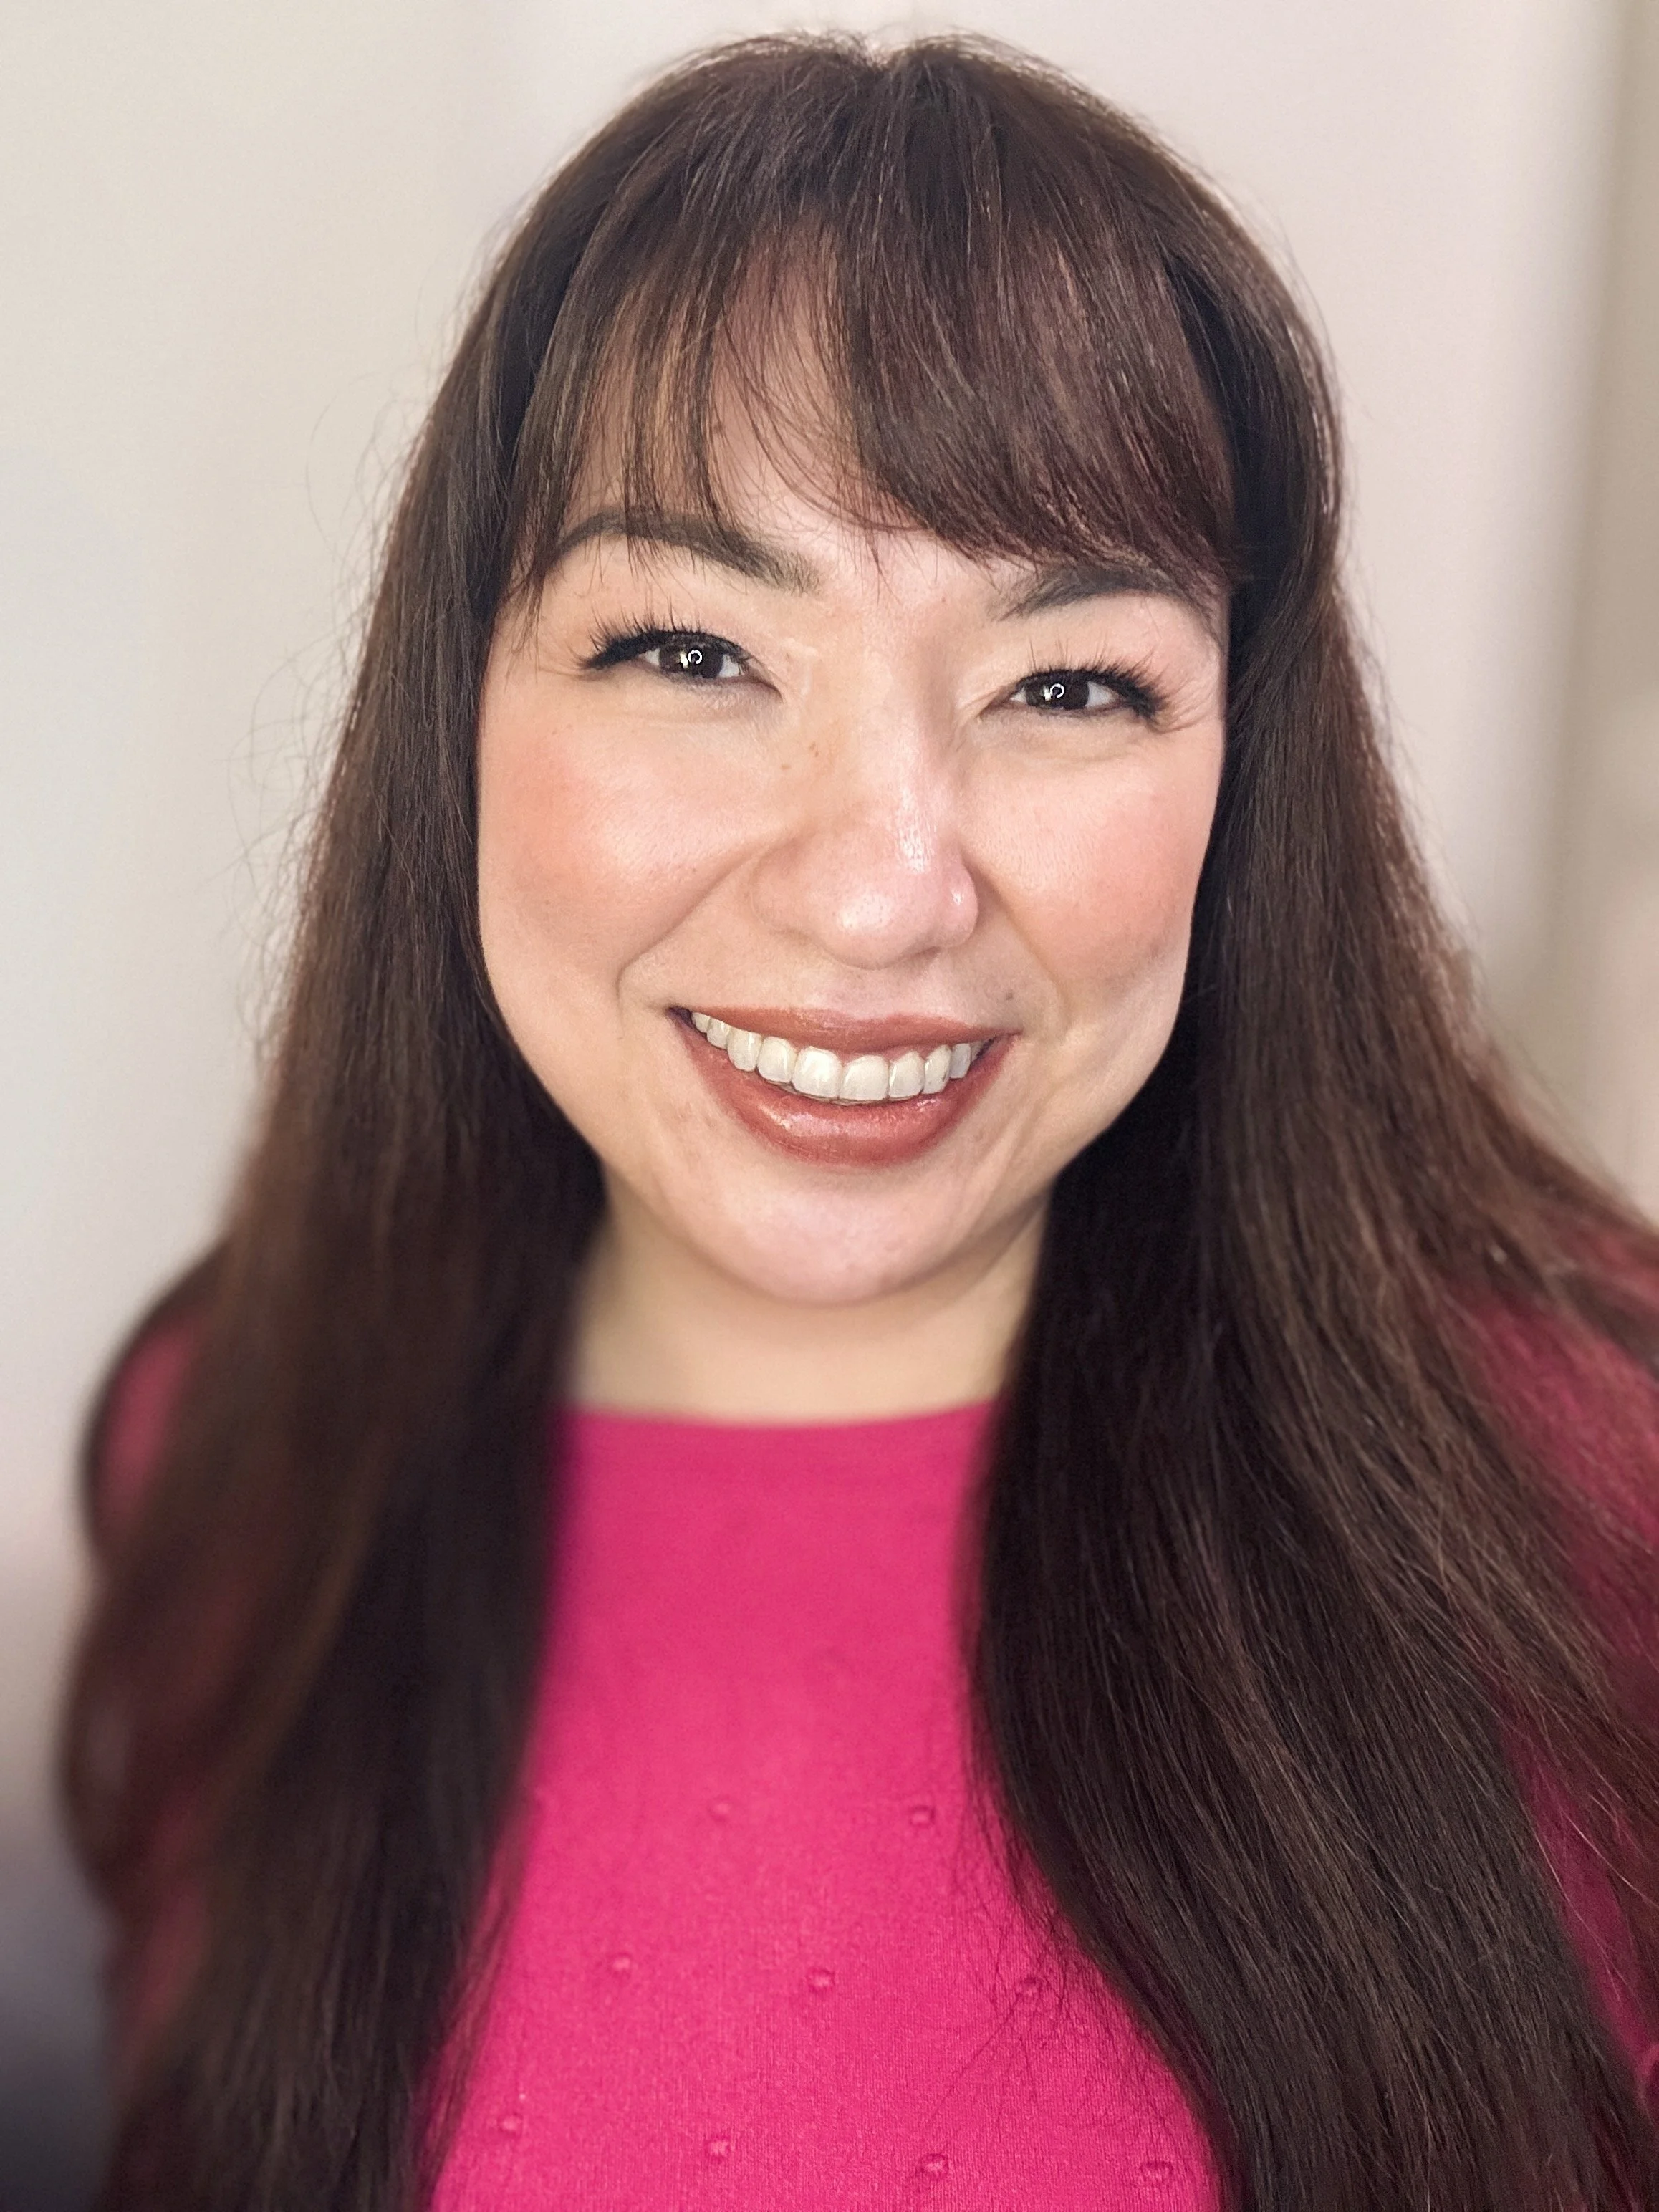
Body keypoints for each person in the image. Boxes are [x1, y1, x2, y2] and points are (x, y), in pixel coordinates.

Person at [62, 32, 1659, 2212]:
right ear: (460, 704)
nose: (882, 887)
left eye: (1068, 686)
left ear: (1242, 780)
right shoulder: (231, 1447)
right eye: (693, 653)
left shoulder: (1589, 1482)